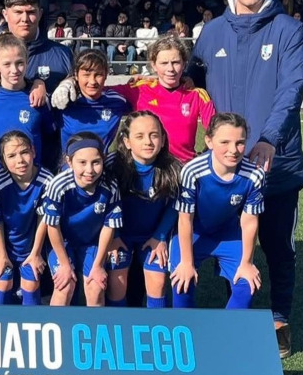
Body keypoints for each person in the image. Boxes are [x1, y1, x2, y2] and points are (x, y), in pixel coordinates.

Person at [188, 0, 303, 358]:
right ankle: (239, 317)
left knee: (278, 246)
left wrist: (269, 139)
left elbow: (292, 91)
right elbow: (190, 84)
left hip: (277, 160)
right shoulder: (211, 32)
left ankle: (279, 320)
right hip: (225, 166)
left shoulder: (289, 30)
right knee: (234, 244)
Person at [53, 35, 215, 163]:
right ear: (153, 64)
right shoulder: (138, 89)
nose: (170, 69)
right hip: (145, 169)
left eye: (176, 62)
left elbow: (216, 134)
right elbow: (94, 89)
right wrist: (69, 82)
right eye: (164, 63)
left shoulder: (197, 95)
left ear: (184, 63)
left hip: (182, 169)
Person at [169, 113, 265, 310]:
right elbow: (185, 219)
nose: (233, 150)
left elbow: (249, 222)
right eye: (224, 142)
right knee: (181, 282)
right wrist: (186, 262)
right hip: (194, 233)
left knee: (246, 285)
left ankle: (226, 335)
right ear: (209, 141)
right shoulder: (192, 171)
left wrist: (247, 263)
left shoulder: (254, 174)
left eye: (240, 142)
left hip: (227, 233)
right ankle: (189, 333)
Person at [108, 111, 180, 307]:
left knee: (157, 282)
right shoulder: (112, 166)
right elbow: (104, 205)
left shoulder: (172, 168)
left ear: (163, 139)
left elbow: (175, 207)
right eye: (139, 136)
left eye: (154, 135)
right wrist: (113, 237)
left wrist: (160, 236)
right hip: (120, 237)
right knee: (117, 282)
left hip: (152, 237)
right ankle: (117, 328)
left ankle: (156, 329)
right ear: (127, 141)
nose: (148, 141)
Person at [43, 132, 122, 307]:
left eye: (96, 162)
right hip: (64, 243)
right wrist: (64, 264)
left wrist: (99, 264)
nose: (89, 170)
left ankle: (93, 332)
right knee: (64, 286)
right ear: (69, 162)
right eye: (82, 163)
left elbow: (109, 227)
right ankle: (58, 330)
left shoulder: (110, 186)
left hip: (92, 244)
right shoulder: (58, 185)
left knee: (96, 287)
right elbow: (52, 226)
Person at [0, 131, 53, 305]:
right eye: (12, 156)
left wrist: (36, 253)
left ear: (33, 152)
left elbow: (43, 220)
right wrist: (1, 254)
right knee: (3, 280)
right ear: (3, 161)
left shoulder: (47, 181)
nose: (20, 160)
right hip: (5, 245)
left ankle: (32, 327)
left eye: (24, 152)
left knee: (31, 284)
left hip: (31, 246)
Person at [0, 33, 57, 173]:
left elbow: (50, 134)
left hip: (28, 178)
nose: (14, 70)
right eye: (7, 64)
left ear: (27, 62)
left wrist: (39, 83)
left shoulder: (38, 98)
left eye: (19, 63)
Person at [54, 49, 128, 153]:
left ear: (106, 75)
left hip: (100, 166)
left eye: (98, 74)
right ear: (76, 74)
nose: (92, 81)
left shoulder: (117, 101)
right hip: (69, 167)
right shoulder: (63, 100)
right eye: (86, 75)